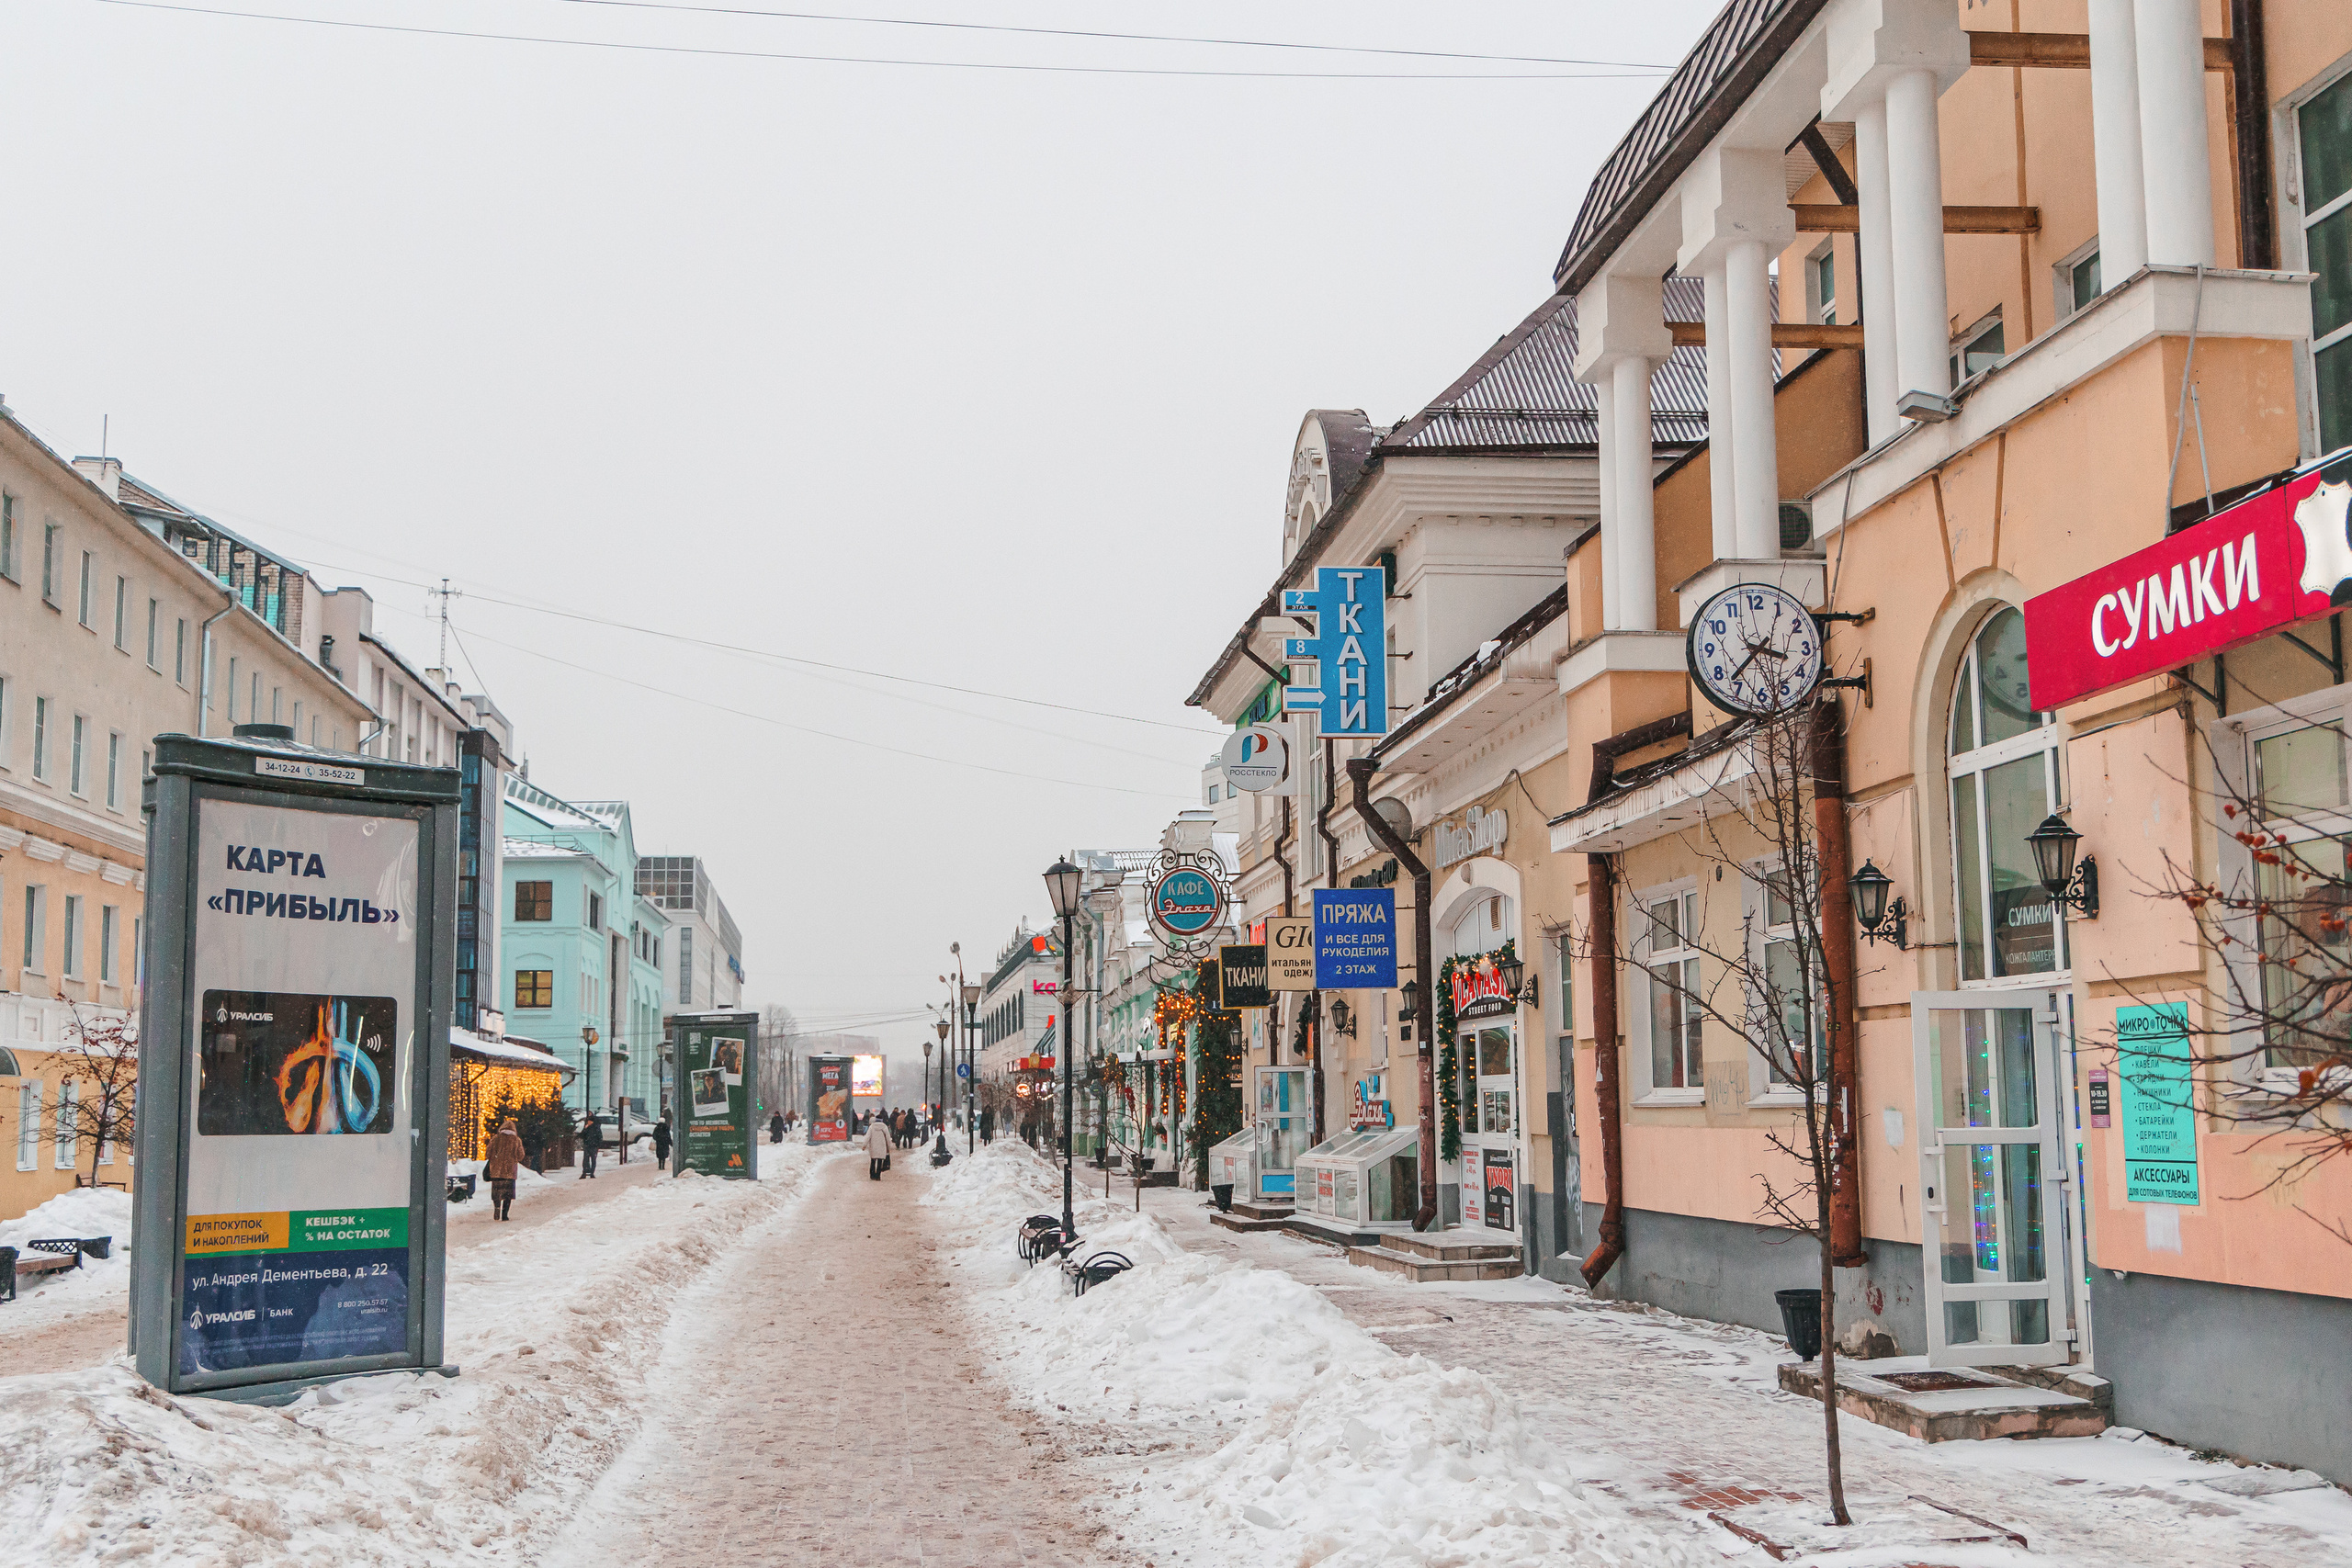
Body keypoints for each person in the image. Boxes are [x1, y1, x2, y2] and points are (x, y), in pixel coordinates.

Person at [484, 1119, 526, 1221]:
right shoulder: (516, 1140)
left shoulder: (495, 1139)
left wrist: (495, 1158)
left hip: (496, 1171)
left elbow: (487, 1153)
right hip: (509, 1172)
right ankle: (505, 1214)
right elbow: (521, 1155)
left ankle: (497, 1207)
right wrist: (513, 1158)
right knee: (508, 1194)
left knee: (496, 1192)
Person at [864, 1108, 892, 1179]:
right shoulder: (884, 1127)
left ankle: (872, 1174)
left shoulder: (872, 1127)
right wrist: (889, 1146)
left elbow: (867, 1136)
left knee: (873, 1161)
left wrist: (864, 1145)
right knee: (880, 1161)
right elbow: (888, 1137)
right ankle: (878, 1176)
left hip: (873, 1146)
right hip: (882, 1147)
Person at [579, 1110, 604, 1179]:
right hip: (588, 1145)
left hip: (593, 1146)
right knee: (586, 1160)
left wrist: (597, 1144)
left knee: (592, 1159)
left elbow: (599, 1137)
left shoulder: (596, 1128)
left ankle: (591, 1173)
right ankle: (585, 1172)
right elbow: (582, 1135)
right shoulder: (587, 1128)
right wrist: (585, 1129)